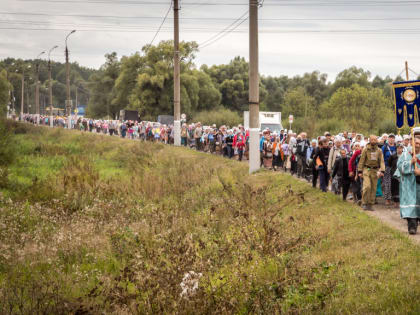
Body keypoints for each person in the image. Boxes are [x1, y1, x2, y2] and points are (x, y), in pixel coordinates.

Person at [395, 136, 420, 234]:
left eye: (419, 143)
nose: (417, 145)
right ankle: (412, 227)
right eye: (416, 143)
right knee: (411, 206)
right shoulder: (405, 155)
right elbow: (400, 166)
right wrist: (411, 162)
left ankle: (416, 222)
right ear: (412, 143)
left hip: (419, 184)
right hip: (409, 184)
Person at [358, 135, 385, 211]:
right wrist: (360, 171)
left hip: (375, 170)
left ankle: (370, 204)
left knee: (373, 188)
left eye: (375, 140)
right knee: (367, 186)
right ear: (369, 140)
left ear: (376, 141)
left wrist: (382, 171)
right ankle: (364, 202)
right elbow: (362, 160)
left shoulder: (379, 150)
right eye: (372, 140)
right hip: (366, 169)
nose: (373, 141)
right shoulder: (365, 149)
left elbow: (382, 161)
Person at [382, 134, 397, 206]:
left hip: (396, 168)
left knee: (395, 183)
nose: (391, 139)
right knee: (387, 183)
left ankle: (395, 199)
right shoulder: (384, 147)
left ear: (394, 139)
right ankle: (387, 199)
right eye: (390, 138)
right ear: (388, 139)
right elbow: (381, 158)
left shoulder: (397, 147)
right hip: (387, 167)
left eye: (393, 138)